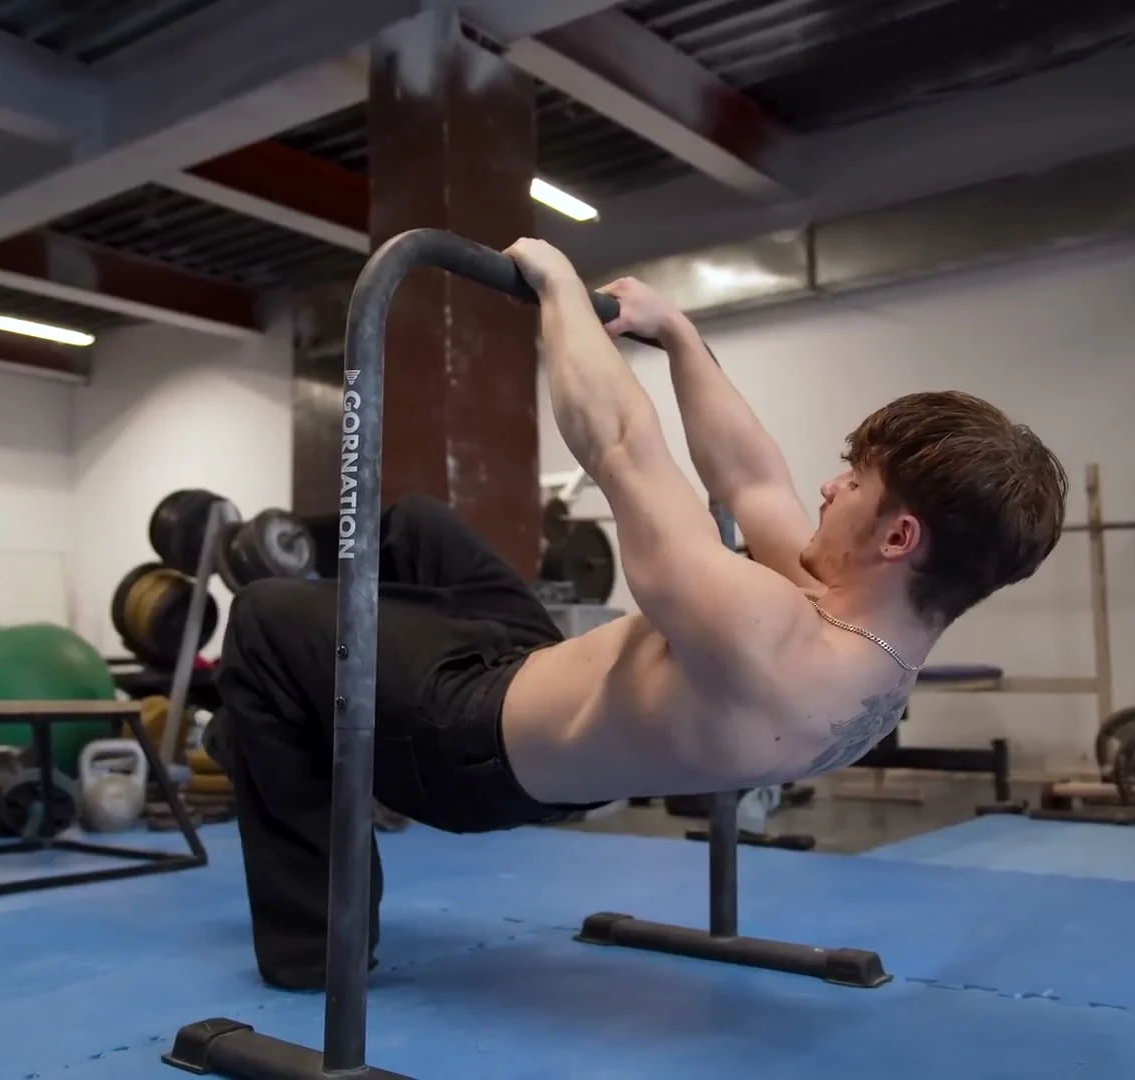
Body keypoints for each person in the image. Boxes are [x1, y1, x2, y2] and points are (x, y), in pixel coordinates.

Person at [208, 237, 1068, 990]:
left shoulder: (772, 643)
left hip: (464, 743)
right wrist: (680, 337)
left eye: (857, 483)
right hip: (529, 673)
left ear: (899, 536)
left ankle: (316, 949)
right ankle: (295, 700)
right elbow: (750, 479)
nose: (830, 486)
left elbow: (618, 443)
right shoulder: (863, 640)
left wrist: (554, 282)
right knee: (416, 528)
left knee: (264, 617)